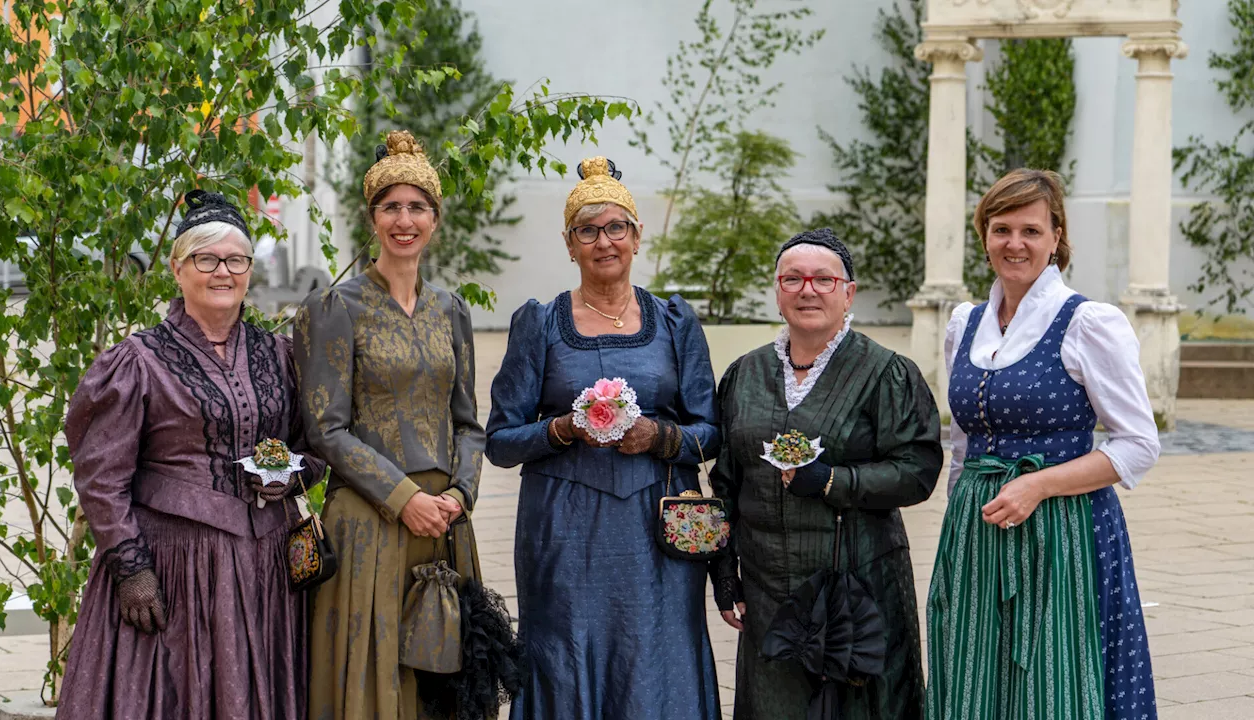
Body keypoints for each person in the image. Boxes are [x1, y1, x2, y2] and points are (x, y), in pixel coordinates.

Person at [57, 190, 326, 719]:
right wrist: (130, 568)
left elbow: (312, 446)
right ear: (178, 269)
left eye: (235, 260)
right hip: (176, 567)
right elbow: (101, 479)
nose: (222, 272)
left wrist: (289, 477)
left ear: (249, 270)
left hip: (267, 569)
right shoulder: (138, 361)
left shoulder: (279, 354)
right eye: (206, 259)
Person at [485, 156, 723, 719]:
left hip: (657, 526)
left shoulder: (673, 322)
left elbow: (710, 433)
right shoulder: (539, 324)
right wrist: (563, 428)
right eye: (587, 230)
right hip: (563, 532)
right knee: (567, 653)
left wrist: (658, 437)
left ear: (637, 237)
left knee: (657, 651)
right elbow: (500, 440)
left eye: (616, 227)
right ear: (569, 245)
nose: (604, 241)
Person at [926, 168, 1160, 720]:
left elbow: (1138, 444)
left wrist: (1038, 484)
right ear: (984, 236)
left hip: (1066, 532)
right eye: (1001, 228)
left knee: (1054, 677)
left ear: (1057, 237)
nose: (1015, 244)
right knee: (970, 669)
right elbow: (964, 443)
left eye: (1031, 230)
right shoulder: (966, 323)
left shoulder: (1088, 323)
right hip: (977, 528)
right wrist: (957, 525)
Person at [708, 227, 943, 719]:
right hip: (768, 588)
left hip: (857, 584)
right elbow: (726, 482)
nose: (807, 290)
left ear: (848, 292)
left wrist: (835, 482)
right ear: (777, 292)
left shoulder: (886, 373)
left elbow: (917, 470)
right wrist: (724, 570)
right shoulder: (743, 376)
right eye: (792, 279)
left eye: (822, 279)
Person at [298, 130, 485, 719]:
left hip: (445, 525)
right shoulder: (336, 308)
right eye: (391, 207)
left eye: (417, 207)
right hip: (370, 521)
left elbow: (468, 423)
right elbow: (325, 429)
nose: (405, 220)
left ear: (435, 218)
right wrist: (404, 498)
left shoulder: (451, 309)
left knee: (440, 682)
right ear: (372, 217)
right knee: (376, 676)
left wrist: (459, 493)